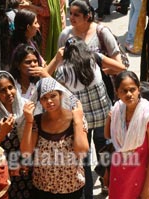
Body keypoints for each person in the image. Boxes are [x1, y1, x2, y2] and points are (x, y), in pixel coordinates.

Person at [55, 37, 112, 195]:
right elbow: (120, 66)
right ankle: (107, 181)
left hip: (81, 122)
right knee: (104, 151)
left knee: (84, 160)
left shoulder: (62, 71)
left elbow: (47, 80)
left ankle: (88, 195)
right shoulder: (95, 59)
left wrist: (56, 59)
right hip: (102, 117)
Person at [104, 71, 149, 199]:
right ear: (117, 92)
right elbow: (108, 136)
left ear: (138, 90)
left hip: (141, 175)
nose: (129, 94)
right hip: (119, 173)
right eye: (124, 91)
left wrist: (147, 189)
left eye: (132, 89)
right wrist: (109, 117)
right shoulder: (117, 110)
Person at [20, 77, 89, 198]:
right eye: (44, 98)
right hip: (43, 188)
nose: (49, 101)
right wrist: (29, 121)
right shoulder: (36, 121)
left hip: (72, 188)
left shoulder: (76, 118)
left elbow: (82, 152)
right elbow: (26, 152)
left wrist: (78, 121)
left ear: (61, 95)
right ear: (39, 101)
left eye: (53, 96)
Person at [0, 71, 33, 198]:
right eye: (2, 90)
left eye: (10, 87)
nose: (8, 93)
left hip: (29, 170)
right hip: (5, 175)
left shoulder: (26, 106)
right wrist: (2, 133)